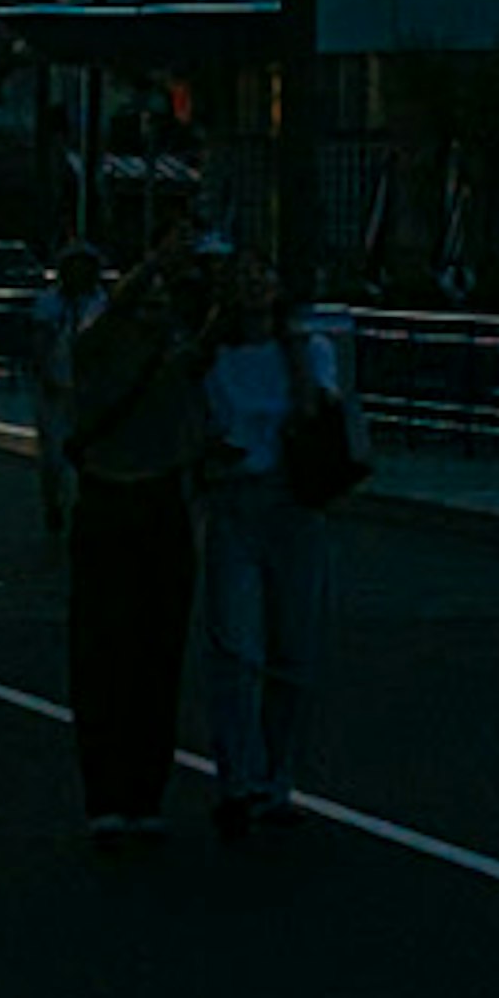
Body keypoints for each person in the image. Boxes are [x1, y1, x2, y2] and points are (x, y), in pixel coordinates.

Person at [63, 246, 212, 841]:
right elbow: (107, 321)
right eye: (143, 304)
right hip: (106, 499)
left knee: (158, 656)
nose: (154, 312)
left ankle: (145, 790)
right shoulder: (96, 351)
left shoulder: (180, 356)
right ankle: (105, 792)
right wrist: (152, 261)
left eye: (162, 305)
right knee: (101, 654)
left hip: (160, 503)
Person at [191, 253, 339, 837]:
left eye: (263, 275)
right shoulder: (210, 355)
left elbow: (316, 410)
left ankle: (278, 780)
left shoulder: (309, 348)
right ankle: (237, 780)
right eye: (241, 277)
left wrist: (294, 348)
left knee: (292, 649)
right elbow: (189, 412)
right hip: (232, 499)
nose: (253, 285)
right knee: (234, 648)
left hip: (293, 503)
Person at [29, 246, 105, 543]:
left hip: (89, 389)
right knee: (52, 455)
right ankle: (53, 502)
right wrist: (45, 373)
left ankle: (83, 506)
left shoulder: (101, 302)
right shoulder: (49, 302)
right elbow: (40, 339)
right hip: (56, 386)